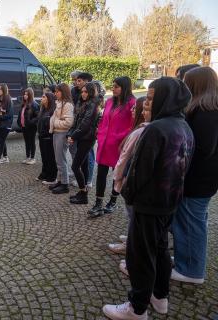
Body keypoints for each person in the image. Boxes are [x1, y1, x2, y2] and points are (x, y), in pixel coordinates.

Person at [103, 77, 194, 320]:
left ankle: (137, 308)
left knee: (141, 255)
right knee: (161, 249)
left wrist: (127, 193)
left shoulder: (156, 129)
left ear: (165, 98)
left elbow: (139, 170)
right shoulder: (183, 126)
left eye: (152, 98)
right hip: (169, 202)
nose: (148, 102)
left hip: (149, 203)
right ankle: (160, 296)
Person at [171, 66, 218, 285]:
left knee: (191, 223)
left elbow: (201, 148)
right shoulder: (209, 109)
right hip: (203, 179)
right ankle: (185, 261)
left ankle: (191, 270)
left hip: (197, 179)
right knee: (191, 221)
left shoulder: (205, 112)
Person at [89, 76, 136, 218]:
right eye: (113, 86)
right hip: (105, 143)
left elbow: (133, 124)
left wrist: (123, 139)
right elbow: (103, 120)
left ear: (124, 87)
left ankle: (113, 200)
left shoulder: (132, 103)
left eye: (116, 86)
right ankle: (98, 202)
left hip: (119, 145)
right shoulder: (109, 101)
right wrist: (101, 133)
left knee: (118, 174)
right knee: (101, 173)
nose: (113, 89)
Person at [107, 97, 148, 256]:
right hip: (127, 178)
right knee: (131, 215)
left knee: (133, 215)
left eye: (135, 108)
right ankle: (131, 237)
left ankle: (132, 245)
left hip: (128, 179)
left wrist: (118, 177)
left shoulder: (140, 131)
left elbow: (125, 158)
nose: (132, 110)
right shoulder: (137, 128)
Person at [68, 82, 99, 205]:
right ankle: (83, 193)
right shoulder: (82, 102)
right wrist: (71, 134)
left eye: (86, 91)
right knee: (84, 165)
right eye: (83, 91)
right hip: (81, 137)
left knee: (75, 166)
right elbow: (76, 121)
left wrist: (73, 136)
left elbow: (85, 124)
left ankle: (83, 192)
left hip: (87, 138)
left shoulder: (93, 104)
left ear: (91, 92)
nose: (83, 93)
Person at [49, 83, 74, 194]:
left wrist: (55, 122)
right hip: (56, 132)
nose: (55, 93)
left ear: (63, 92)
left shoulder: (67, 105)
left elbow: (68, 122)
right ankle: (60, 181)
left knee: (61, 159)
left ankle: (65, 184)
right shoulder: (59, 103)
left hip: (62, 134)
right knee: (57, 159)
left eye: (57, 91)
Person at [36, 92, 57, 184]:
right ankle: (45, 173)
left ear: (49, 99)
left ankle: (52, 176)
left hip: (48, 137)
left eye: (44, 97)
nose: (42, 99)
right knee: (44, 157)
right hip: (42, 136)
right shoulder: (43, 109)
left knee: (50, 157)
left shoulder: (52, 110)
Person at [17, 88, 39, 165]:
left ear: (30, 95)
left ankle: (33, 158)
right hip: (24, 127)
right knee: (27, 142)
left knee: (32, 142)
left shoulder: (34, 104)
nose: (25, 96)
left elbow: (37, 117)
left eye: (27, 94)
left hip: (31, 127)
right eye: (24, 94)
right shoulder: (24, 104)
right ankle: (27, 157)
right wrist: (19, 122)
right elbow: (21, 114)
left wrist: (30, 122)